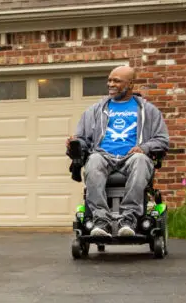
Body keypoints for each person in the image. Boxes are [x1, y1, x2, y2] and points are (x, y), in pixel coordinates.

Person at [68, 65, 169, 237]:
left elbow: (162, 140)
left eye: (116, 80)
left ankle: (128, 219)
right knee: (93, 160)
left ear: (130, 84)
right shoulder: (95, 111)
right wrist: (75, 145)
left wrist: (144, 148)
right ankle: (101, 221)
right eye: (109, 80)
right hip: (103, 155)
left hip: (132, 157)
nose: (110, 84)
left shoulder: (148, 111)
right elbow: (84, 140)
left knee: (141, 159)